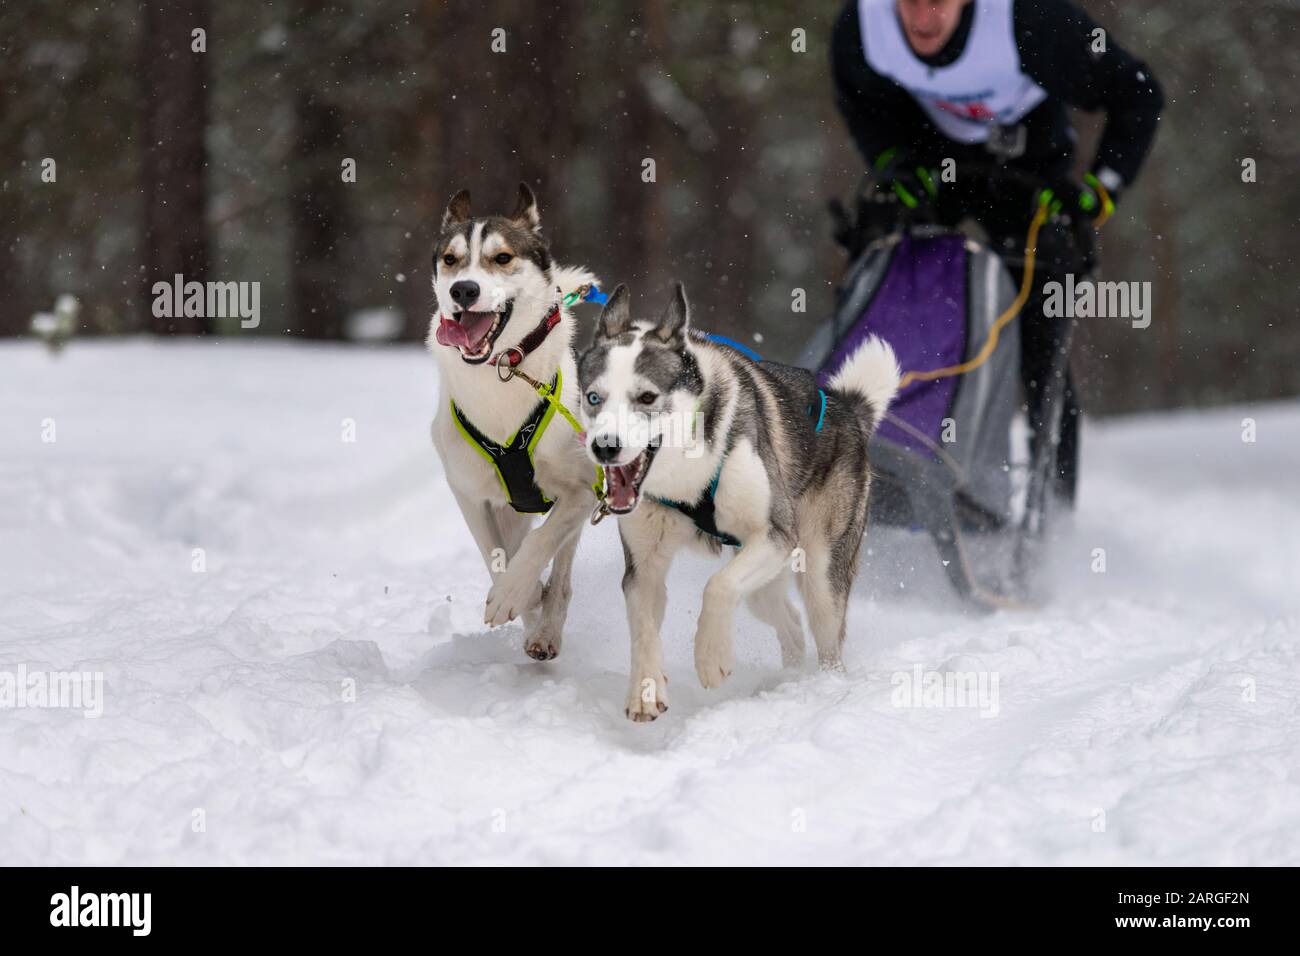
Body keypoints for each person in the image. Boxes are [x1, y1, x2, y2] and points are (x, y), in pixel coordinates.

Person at [831, 0, 1164, 505]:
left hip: (1030, 168)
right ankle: (876, 471)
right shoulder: (864, 24)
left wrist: (1100, 193)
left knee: (1041, 347)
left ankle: (1048, 522)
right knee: (895, 301)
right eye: (910, 2)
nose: (922, 18)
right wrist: (891, 162)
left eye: (937, 2)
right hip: (929, 161)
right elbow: (859, 100)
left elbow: (1139, 94)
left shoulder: (1031, 22)